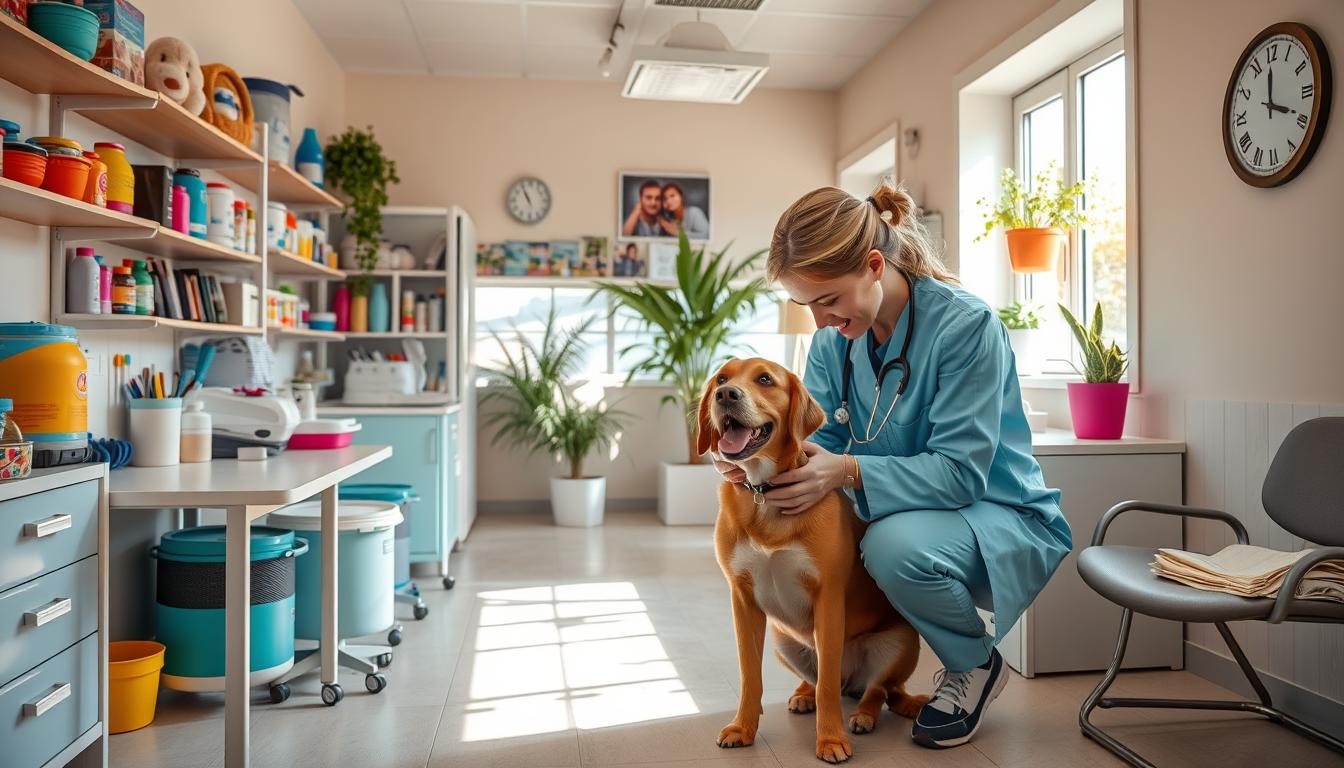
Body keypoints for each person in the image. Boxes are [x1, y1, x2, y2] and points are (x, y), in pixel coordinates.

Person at [714, 181, 1071, 750]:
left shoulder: (966, 327)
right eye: (807, 306)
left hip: (993, 509)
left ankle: (974, 663)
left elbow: (960, 473)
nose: (820, 321)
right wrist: (755, 456)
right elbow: (820, 438)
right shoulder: (834, 341)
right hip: (899, 505)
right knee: (859, 536)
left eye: (828, 299)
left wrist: (847, 472)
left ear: (874, 266)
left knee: (889, 546)